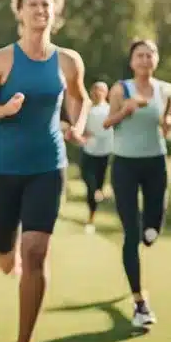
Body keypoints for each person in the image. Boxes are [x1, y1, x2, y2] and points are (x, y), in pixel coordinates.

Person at [0, 0, 90, 342]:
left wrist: (77, 124)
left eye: (46, 4)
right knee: (8, 260)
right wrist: (5, 109)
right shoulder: (0, 60)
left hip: (47, 167)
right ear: (20, 12)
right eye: (33, 3)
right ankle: (6, 252)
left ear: (54, 13)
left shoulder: (68, 60)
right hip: (2, 169)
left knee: (36, 252)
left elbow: (79, 96)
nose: (40, 9)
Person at [102, 40, 171, 329]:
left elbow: (165, 127)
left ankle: (150, 232)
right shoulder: (120, 89)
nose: (145, 59)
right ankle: (139, 303)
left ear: (156, 59)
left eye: (150, 55)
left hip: (155, 163)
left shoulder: (166, 90)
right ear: (132, 61)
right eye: (140, 55)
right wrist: (126, 109)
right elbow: (107, 123)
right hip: (124, 165)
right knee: (132, 234)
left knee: (152, 231)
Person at [78, 80, 113, 233]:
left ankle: (91, 219)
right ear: (91, 92)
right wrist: (81, 134)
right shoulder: (86, 108)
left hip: (103, 154)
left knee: (95, 189)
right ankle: (96, 193)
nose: (97, 92)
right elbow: (79, 126)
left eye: (101, 90)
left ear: (106, 93)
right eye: (95, 89)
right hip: (88, 152)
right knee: (90, 185)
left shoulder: (110, 110)